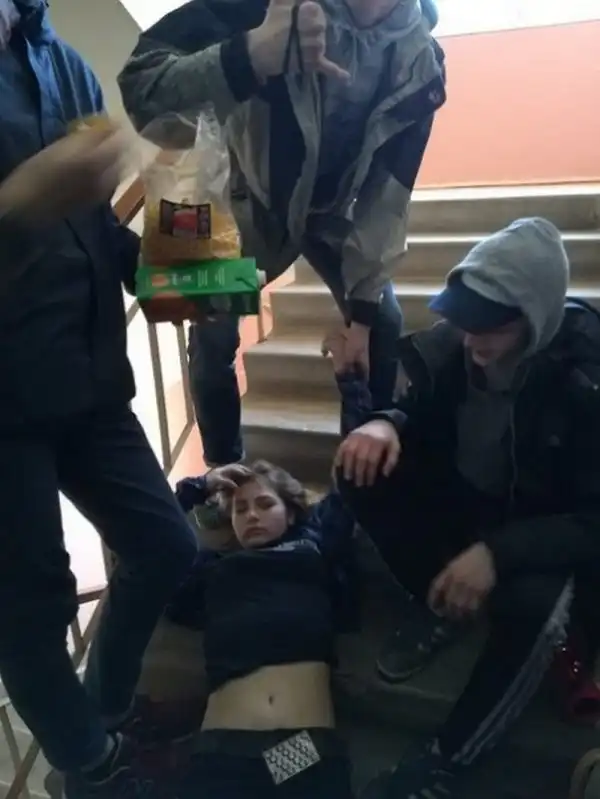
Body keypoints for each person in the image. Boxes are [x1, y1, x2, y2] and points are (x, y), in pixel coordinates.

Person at [0, 2, 198, 797]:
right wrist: (17, 200)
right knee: (31, 608)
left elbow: (96, 222)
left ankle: (105, 714)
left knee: (167, 545)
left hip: (89, 380)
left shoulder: (63, 62)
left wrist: (169, 276)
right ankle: (91, 766)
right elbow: (39, 200)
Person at [335, 217, 600, 799]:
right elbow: (422, 414)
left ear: (533, 319)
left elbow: (592, 521)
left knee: (536, 606)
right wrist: (386, 421)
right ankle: (440, 602)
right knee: (358, 465)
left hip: (544, 532)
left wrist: (497, 553)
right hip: (470, 505)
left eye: (491, 328)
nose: (473, 341)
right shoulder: (457, 346)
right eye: (467, 321)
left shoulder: (584, 378)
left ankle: (447, 760)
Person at [118, 0, 446, 467]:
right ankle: (225, 474)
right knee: (212, 337)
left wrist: (363, 311)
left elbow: (387, 196)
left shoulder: (422, 64)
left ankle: (365, 479)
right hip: (248, 203)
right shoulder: (262, 5)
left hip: (330, 212)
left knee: (382, 323)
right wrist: (248, 55)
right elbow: (142, 88)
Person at [163, 357, 369, 799]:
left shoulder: (314, 547)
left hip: (301, 750)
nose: (251, 515)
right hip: (223, 752)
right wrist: (199, 486)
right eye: (240, 509)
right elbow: (153, 536)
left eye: (264, 504)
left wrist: (352, 384)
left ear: (291, 511)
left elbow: (352, 481)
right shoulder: (212, 569)